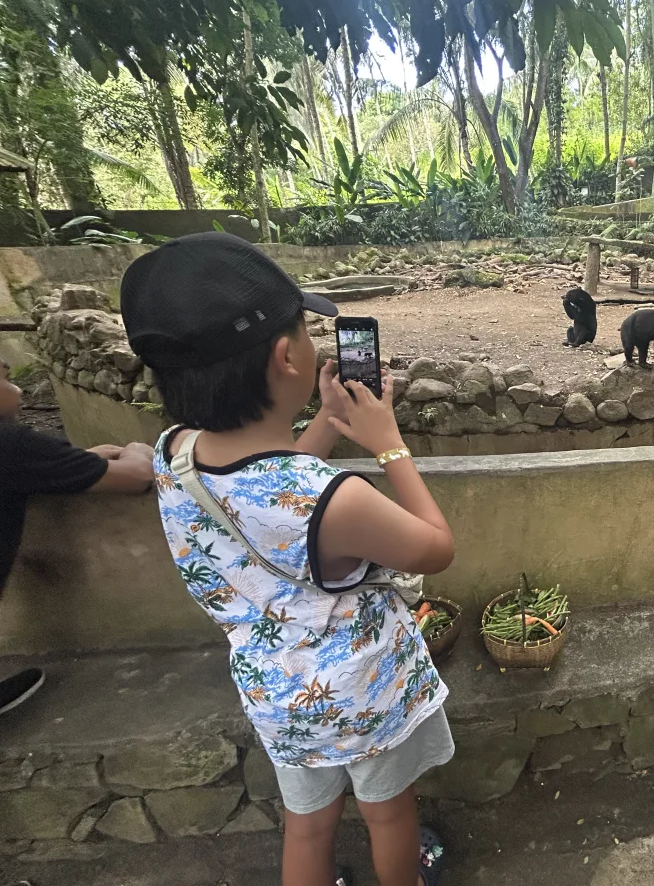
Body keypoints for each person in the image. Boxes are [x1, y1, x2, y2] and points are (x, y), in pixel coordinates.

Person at [119, 232, 456, 886]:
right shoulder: (340, 500)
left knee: (307, 822)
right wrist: (388, 444)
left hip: (274, 688)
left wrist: (327, 422)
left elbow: (271, 482)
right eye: (305, 332)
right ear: (286, 356)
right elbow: (435, 547)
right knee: (388, 818)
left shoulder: (175, 451)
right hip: (359, 693)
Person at [0, 356, 154, 715]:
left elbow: (35, 468)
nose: (18, 389)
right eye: (5, 380)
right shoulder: (11, 444)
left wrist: (82, 462)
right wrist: (139, 449)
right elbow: (139, 476)